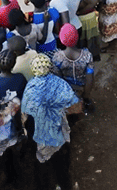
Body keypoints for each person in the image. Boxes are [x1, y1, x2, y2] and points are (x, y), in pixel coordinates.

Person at [20, 54, 78, 190]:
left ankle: (44, 185)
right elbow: (73, 103)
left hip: (42, 133)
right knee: (62, 164)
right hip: (58, 128)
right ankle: (65, 185)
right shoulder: (60, 83)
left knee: (43, 163)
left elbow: (25, 115)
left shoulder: (30, 88)